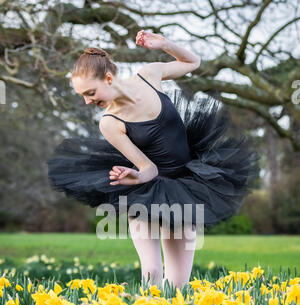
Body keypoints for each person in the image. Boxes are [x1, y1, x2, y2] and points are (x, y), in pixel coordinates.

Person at [47, 30, 260, 291]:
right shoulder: (110, 123)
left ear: (109, 78)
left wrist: (164, 44)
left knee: (178, 283)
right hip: (147, 191)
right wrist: (134, 176)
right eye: (82, 96)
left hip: (186, 185)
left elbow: (192, 63)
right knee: (151, 270)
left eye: (90, 92)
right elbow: (149, 168)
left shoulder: (149, 75)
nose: (88, 101)